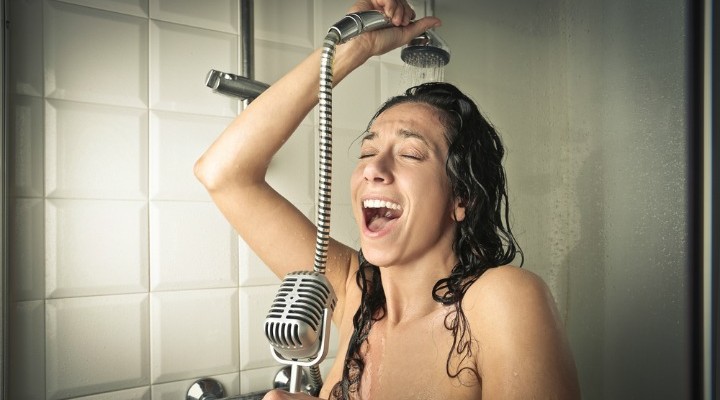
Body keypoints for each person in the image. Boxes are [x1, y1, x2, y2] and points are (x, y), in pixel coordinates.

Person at [195, 0, 580, 398]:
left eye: (410, 154)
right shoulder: (354, 292)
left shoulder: (501, 300)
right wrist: (352, 50)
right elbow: (223, 174)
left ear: (461, 197)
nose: (372, 169)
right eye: (366, 152)